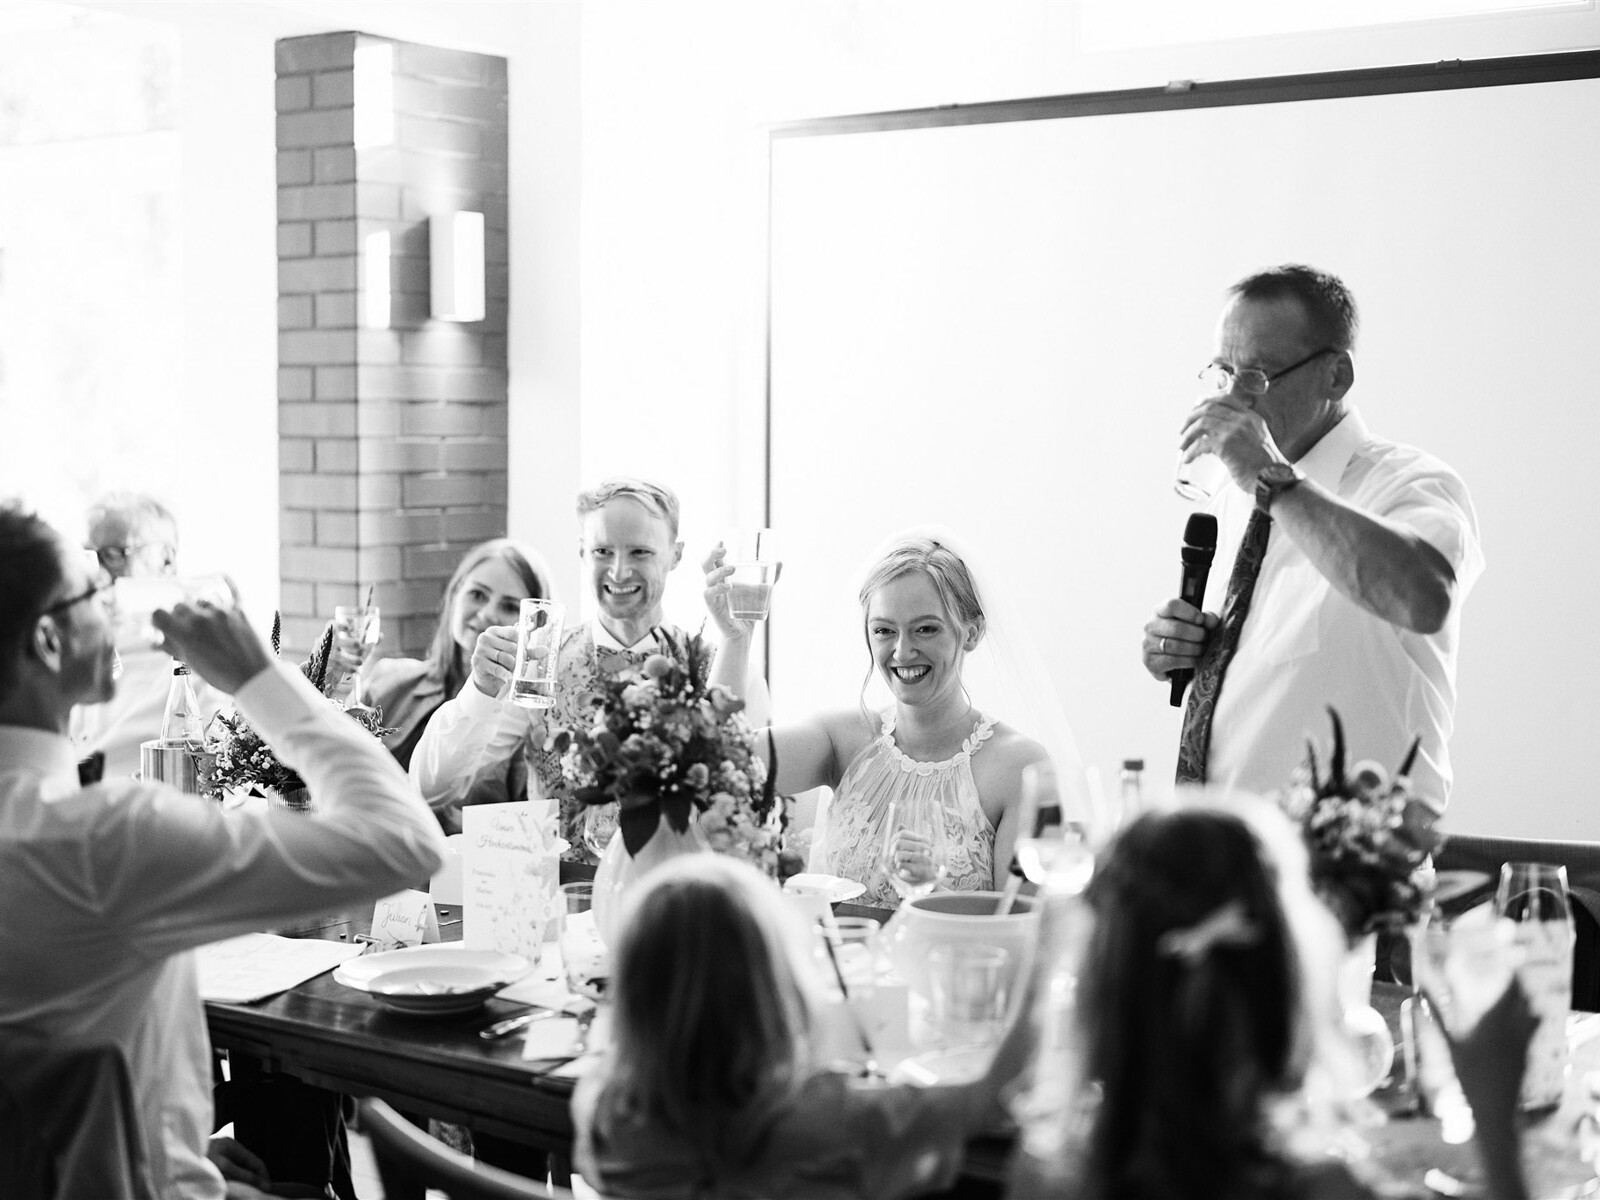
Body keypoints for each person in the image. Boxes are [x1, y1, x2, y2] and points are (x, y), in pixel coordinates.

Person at [0, 504, 446, 1200]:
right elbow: (404, 839)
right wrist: (257, 675)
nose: (115, 605)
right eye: (94, 591)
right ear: (49, 641)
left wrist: (169, 1145)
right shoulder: (103, 839)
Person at [1043, 801, 1533, 1200]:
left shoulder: (1051, 1173)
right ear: (1289, 984)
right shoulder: (1321, 1189)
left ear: (1100, 991)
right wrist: (1494, 1115)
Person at [1143, 265, 1483, 805]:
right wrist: (1182, 647)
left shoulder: (1410, 484)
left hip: (1352, 865)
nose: (1234, 397)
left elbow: (1425, 600)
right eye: (1224, 372)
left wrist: (1270, 478)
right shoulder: (1234, 495)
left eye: (1259, 374)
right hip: (1224, 854)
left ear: (1336, 377)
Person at [572, 854, 1037, 1199]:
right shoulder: (835, 1122)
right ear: (777, 992)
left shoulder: (604, 1111)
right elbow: (992, 1095)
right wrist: (1049, 955)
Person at [708, 530, 1089, 907]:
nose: (903, 651)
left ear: (971, 633)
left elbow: (1027, 928)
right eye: (884, 631)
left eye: (926, 629)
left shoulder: (1020, 767)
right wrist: (736, 640)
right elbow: (717, 758)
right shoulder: (841, 738)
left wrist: (931, 893)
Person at [412, 478, 710, 849]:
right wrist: (480, 690)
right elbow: (432, 787)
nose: (618, 571)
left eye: (640, 552)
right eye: (603, 551)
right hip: (555, 897)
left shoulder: (711, 668)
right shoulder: (541, 662)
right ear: (583, 552)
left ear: (675, 555)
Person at [355, 537, 553, 776]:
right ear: (455, 594)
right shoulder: (389, 680)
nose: (488, 614)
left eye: (509, 607)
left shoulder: (525, 720)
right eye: (478, 595)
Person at [73, 490, 220, 780]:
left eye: (114, 555)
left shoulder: (200, 660)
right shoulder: (67, 645)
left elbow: (222, 769)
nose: (98, 572)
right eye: (88, 556)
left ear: (166, 560)